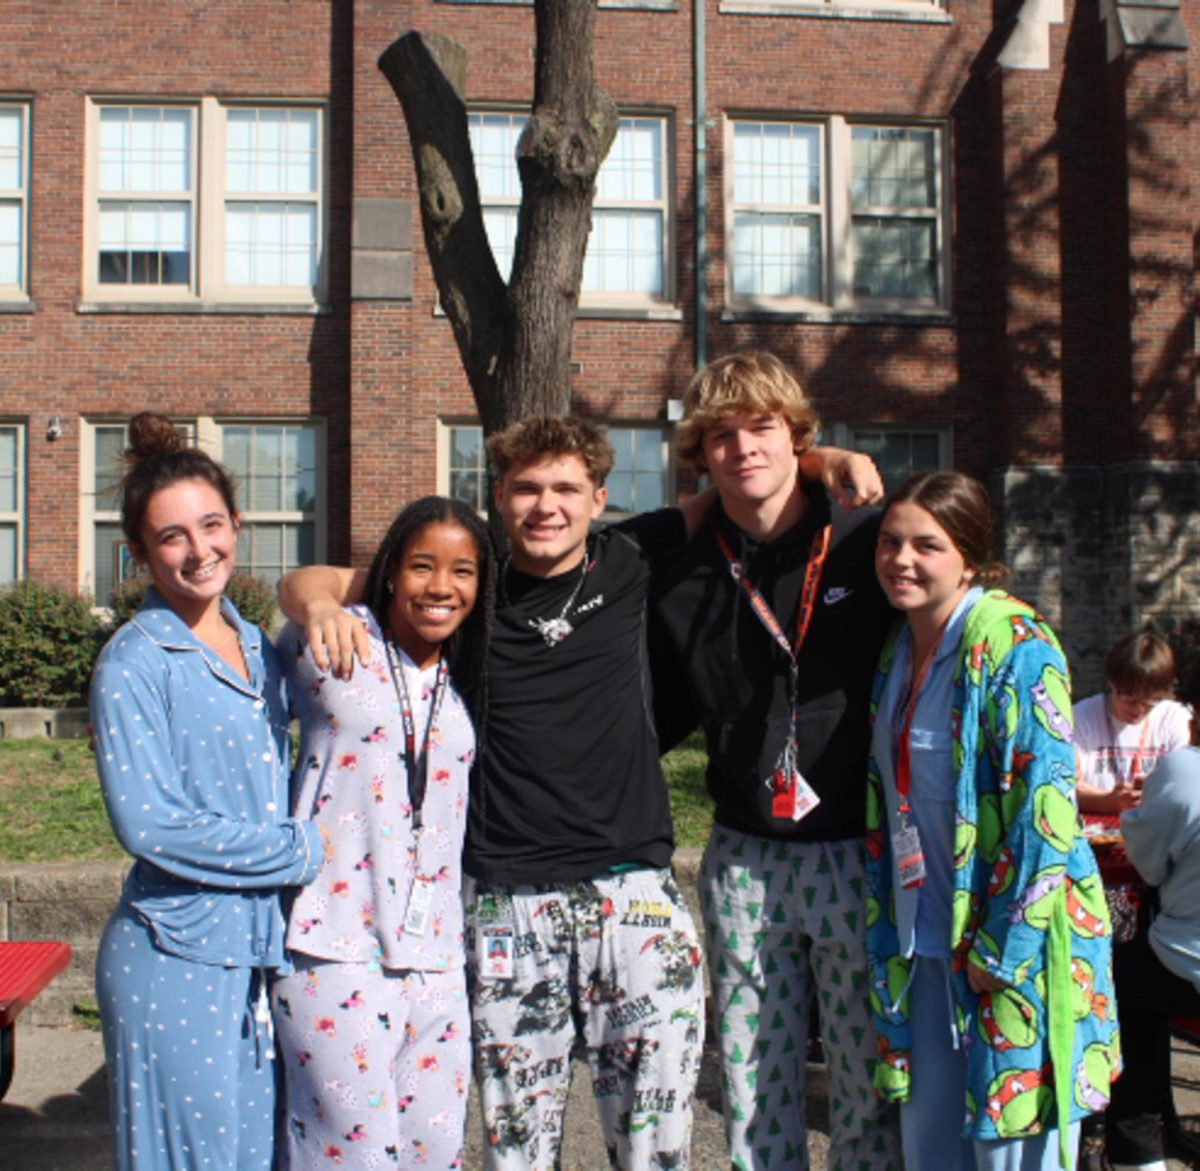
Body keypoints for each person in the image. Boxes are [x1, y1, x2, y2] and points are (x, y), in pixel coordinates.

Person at [278, 413, 879, 1170]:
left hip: (631, 896)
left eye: (566, 487)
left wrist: (824, 459)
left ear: (600, 498)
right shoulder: (469, 580)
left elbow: (738, 485)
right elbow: (311, 580)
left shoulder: (632, 555)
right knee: (518, 1150)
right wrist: (323, 607)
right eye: (526, 487)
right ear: (497, 494)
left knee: (656, 1146)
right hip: (506, 902)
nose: (545, 505)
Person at [649, 350, 903, 1170]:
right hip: (743, 853)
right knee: (755, 1076)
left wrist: (836, 465)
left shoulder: (864, 536)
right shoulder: (681, 567)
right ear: (699, 452)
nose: (743, 447)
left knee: (865, 1081)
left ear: (797, 437)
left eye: (762, 428)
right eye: (720, 434)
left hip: (855, 850)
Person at [865, 470, 1120, 1171]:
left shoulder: (1018, 646)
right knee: (932, 1152)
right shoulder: (895, 651)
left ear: (971, 558)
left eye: (927, 544)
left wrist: (999, 956)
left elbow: (1048, 814)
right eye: (890, 541)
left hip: (1008, 957)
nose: (902, 559)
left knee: (1014, 1153)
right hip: (922, 951)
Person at [91, 412, 323, 1171]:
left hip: (258, 952)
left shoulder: (261, 645)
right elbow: (150, 825)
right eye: (172, 537)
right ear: (140, 554)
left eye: (212, 525)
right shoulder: (135, 662)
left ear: (237, 523)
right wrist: (300, 850)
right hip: (174, 953)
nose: (199, 551)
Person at [271, 496, 494, 1169]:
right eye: (422, 565)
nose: (441, 586)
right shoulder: (341, 636)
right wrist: (315, 603)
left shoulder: (472, 668)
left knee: (436, 1147)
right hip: (333, 943)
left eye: (463, 571)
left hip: (436, 956)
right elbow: (297, 586)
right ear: (391, 570)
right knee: (351, 1155)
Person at [1104, 661, 1200, 1171]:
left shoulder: (1184, 769)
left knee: (1117, 983)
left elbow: (1148, 864)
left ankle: (1136, 1151)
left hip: (1186, 963)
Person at [1073, 632, 1190, 815]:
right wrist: (1107, 802)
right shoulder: (1080, 717)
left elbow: (1185, 785)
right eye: (1129, 699)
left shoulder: (1175, 719)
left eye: (1149, 703)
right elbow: (1069, 786)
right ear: (1112, 682)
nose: (1138, 710)